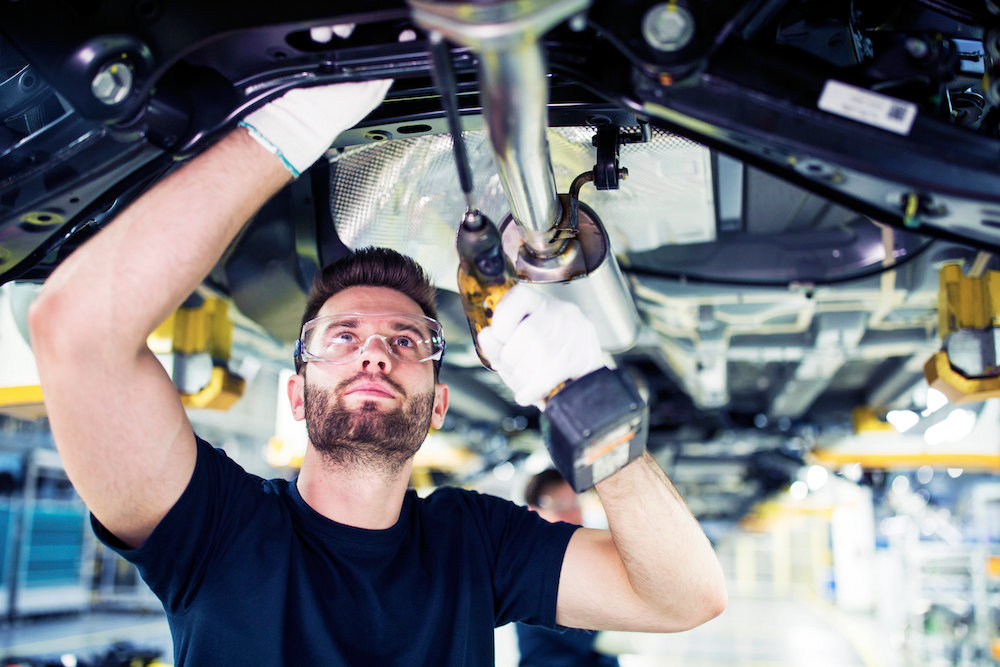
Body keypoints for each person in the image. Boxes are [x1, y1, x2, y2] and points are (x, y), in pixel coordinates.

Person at [27, 79, 726, 665]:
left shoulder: (474, 544)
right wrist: (284, 129)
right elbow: (76, 330)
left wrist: (586, 396)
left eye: (406, 339)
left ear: (440, 402)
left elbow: (683, 596)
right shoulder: (219, 527)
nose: (375, 352)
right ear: (297, 394)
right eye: (341, 336)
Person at [516, 469, 620, 667]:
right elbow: (600, 632)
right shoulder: (531, 570)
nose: (573, 515)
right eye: (560, 506)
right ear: (532, 512)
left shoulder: (581, 560)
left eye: (575, 504)